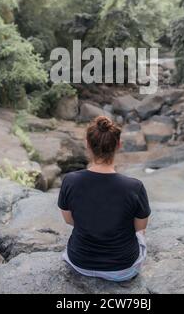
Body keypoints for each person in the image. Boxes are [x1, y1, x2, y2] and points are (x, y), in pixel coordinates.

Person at [58, 115, 151, 282]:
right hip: (122, 269)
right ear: (119, 145)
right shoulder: (134, 187)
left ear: (87, 144)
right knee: (140, 235)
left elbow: (69, 220)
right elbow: (139, 228)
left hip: (80, 263)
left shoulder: (70, 181)